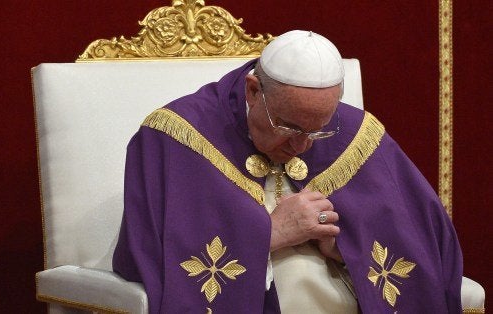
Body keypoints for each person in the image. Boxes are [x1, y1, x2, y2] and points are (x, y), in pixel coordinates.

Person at [112, 30, 463, 313]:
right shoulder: (176, 136)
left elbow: (423, 245)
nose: (302, 147)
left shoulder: (357, 134)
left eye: (319, 130)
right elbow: (147, 255)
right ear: (253, 91)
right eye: (290, 127)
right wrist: (270, 232)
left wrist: (343, 244)